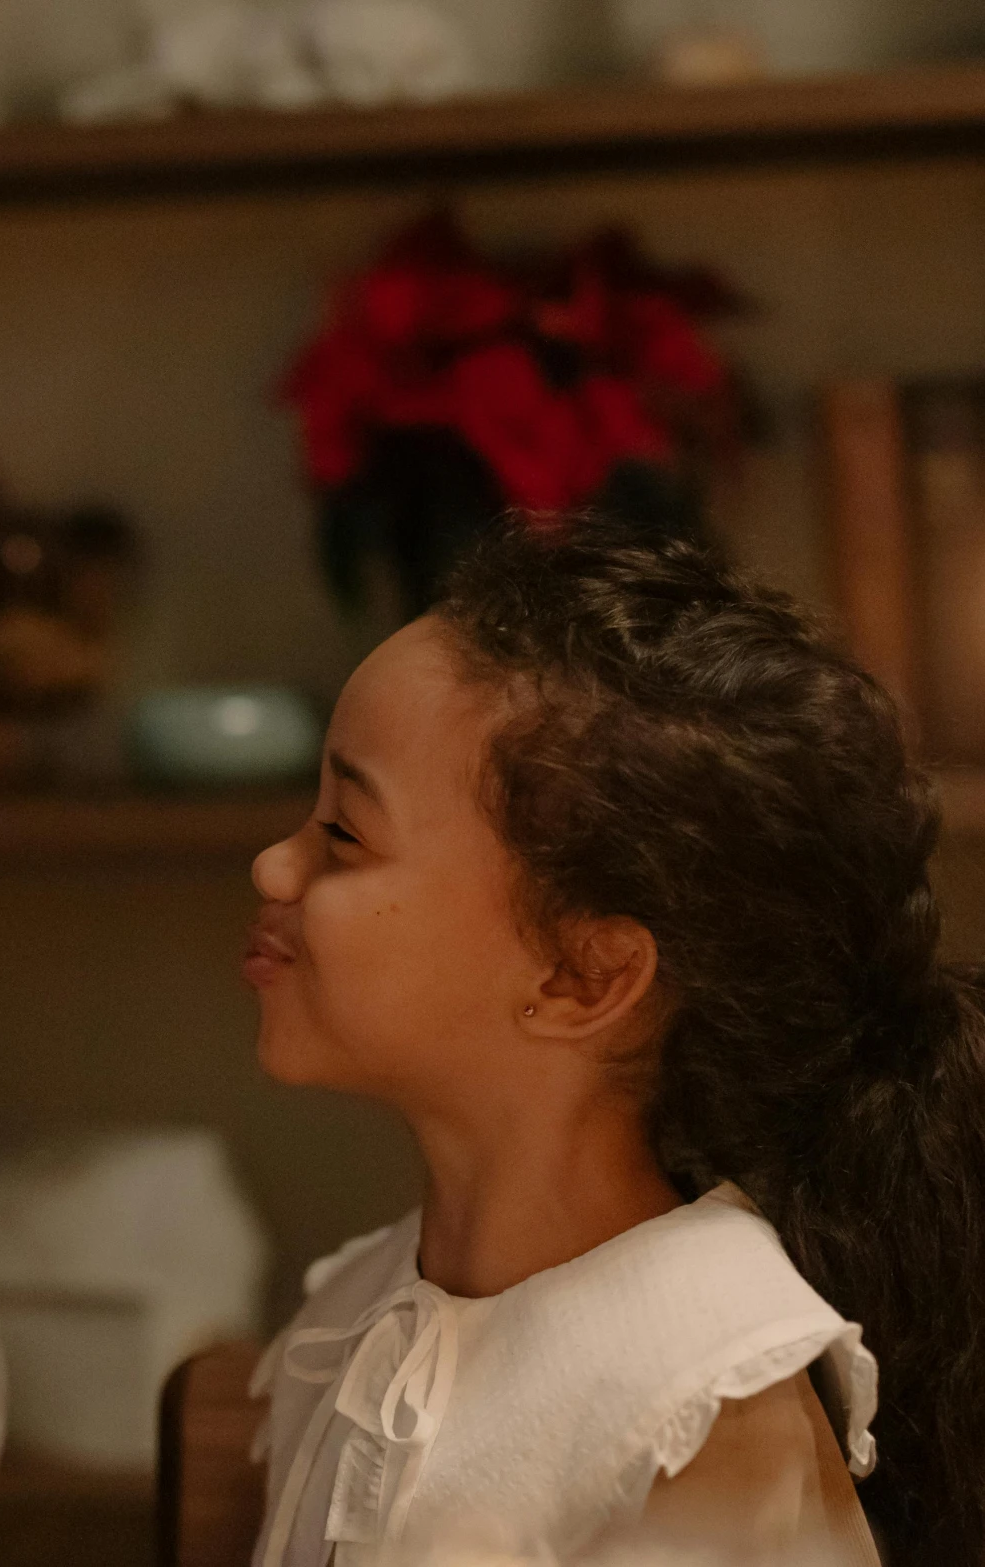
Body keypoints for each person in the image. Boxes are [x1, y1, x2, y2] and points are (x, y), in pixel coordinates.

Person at [242, 523, 985, 1564]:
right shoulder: (360, 1305)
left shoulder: (698, 1391)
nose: (275, 868)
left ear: (582, 975)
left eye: (345, 835)